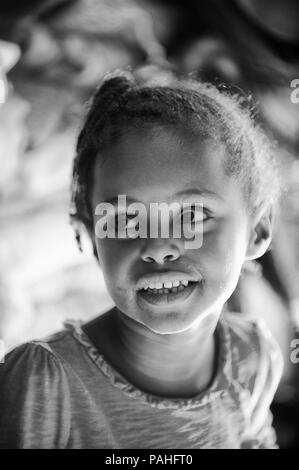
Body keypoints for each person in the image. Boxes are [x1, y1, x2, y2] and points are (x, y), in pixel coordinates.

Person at [0, 68, 283, 449]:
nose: (156, 246)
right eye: (124, 219)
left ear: (258, 231)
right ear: (91, 236)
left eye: (193, 215)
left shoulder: (254, 356)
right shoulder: (46, 381)